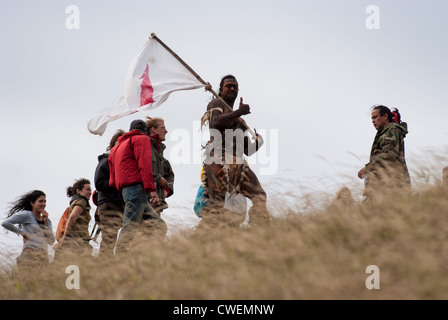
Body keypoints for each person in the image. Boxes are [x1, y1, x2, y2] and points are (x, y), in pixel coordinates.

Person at [199, 75, 270, 228]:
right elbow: (215, 124)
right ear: (221, 90)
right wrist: (238, 113)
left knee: (259, 196)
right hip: (218, 158)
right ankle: (201, 239)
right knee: (217, 206)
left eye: (235, 86)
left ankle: (260, 231)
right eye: (228, 86)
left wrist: (258, 143)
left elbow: (247, 150)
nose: (232, 88)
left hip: (238, 162)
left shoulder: (240, 121)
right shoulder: (216, 103)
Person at [108, 119, 160, 252]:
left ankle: (150, 255)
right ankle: (119, 258)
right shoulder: (141, 139)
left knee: (159, 226)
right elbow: (145, 165)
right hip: (137, 189)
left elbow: (112, 179)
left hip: (126, 192)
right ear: (144, 131)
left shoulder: (115, 148)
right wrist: (151, 189)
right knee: (129, 227)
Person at [358, 106, 411, 202]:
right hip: (383, 186)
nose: (373, 121)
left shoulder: (392, 130)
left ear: (385, 116)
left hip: (392, 186)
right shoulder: (383, 133)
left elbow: (389, 155)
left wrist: (368, 167)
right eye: (372, 118)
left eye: (375, 117)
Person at [2, 190, 55, 270]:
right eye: (40, 201)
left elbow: (51, 241)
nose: (43, 204)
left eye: (45, 201)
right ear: (32, 203)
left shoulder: (47, 220)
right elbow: (5, 223)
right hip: (30, 253)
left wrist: (46, 222)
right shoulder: (27, 215)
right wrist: (23, 233)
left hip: (43, 257)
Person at [141, 117, 175, 240]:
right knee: (146, 233)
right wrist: (157, 179)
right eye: (163, 128)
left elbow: (170, 174)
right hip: (145, 199)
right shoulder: (145, 147)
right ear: (153, 130)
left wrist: (167, 189)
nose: (166, 131)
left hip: (157, 202)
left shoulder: (159, 151)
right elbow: (142, 169)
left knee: (152, 236)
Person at [94, 129, 126, 256]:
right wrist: (117, 184)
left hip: (118, 204)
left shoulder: (121, 162)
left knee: (114, 237)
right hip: (108, 203)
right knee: (109, 239)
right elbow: (99, 183)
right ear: (113, 145)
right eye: (120, 143)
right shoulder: (106, 160)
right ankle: (104, 266)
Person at [55, 179, 93, 258]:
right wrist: (65, 238)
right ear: (78, 191)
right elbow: (72, 217)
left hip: (74, 240)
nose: (90, 192)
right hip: (76, 241)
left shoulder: (74, 201)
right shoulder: (82, 201)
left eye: (91, 190)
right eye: (87, 189)